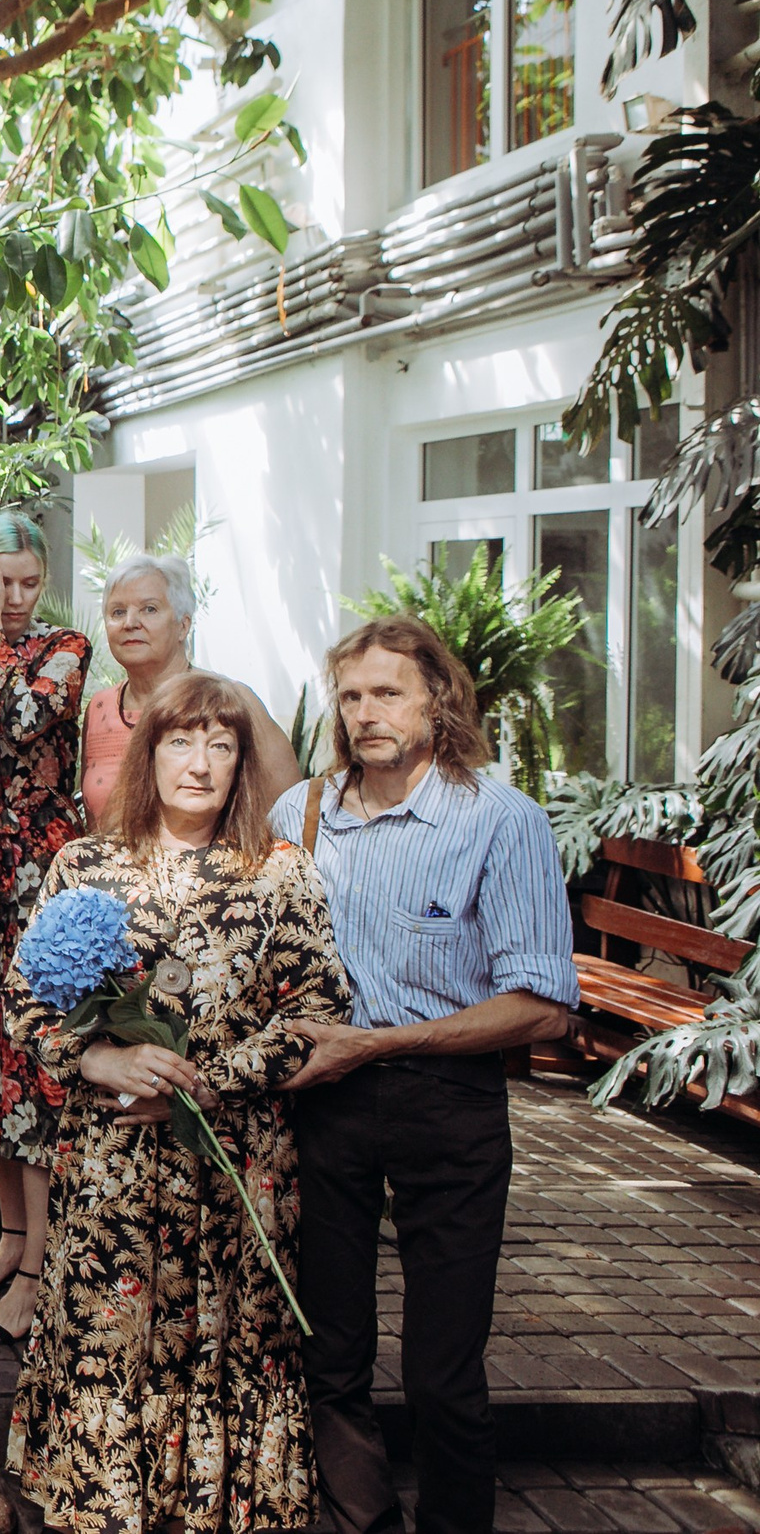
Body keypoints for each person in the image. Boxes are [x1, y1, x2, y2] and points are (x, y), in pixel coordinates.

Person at [2, 672, 350, 1534]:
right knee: (114, 1338)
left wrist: (205, 1082)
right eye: (181, 742)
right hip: (112, 1166)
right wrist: (105, 1057)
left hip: (233, 1171)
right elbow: (26, 1002)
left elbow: (319, 1018)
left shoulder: (281, 872)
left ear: (243, 763)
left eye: (221, 746)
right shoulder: (85, 864)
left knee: (227, 1341)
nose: (200, 764)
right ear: (148, 752)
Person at [270, 617, 579, 1534]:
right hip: (324, 1102)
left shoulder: (499, 820)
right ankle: (363, 1520)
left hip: (449, 1104)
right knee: (331, 1355)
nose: (366, 712)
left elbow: (543, 1005)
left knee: (445, 1371)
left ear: (439, 702)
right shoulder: (304, 813)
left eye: (388, 692)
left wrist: (383, 1043)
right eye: (352, 695)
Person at [0, 511, 91, 1346]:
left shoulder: (64, 648)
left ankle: (40, 1269)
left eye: (26, 581)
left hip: (41, 868)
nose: (10, 598)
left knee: (34, 1061)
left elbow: (23, 725)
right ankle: (8, 1240)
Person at [81, 553, 301, 827]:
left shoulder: (231, 702)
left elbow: (291, 810)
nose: (130, 622)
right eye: (117, 612)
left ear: (183, 625)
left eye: (149, 609)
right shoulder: (100, 709)